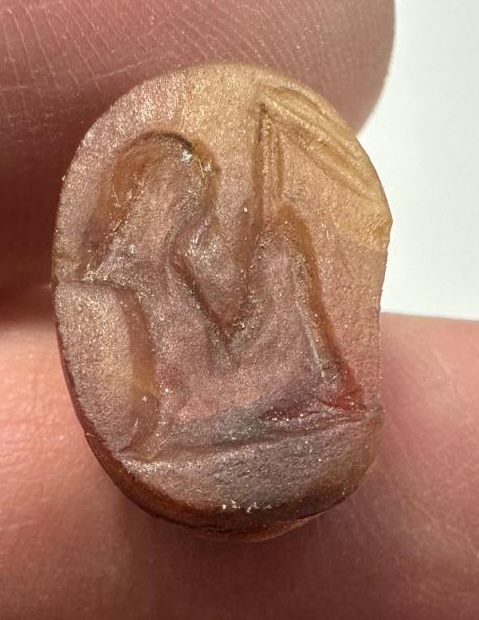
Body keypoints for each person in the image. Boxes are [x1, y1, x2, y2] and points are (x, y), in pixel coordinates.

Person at [1, 1, 477, 618]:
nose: (111, 250)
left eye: (146, 211)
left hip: (252, 413)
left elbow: (235, 371)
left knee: (277, 258)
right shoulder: (164, 285)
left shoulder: (223, 268)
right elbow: (204, 378)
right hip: (214, 429)